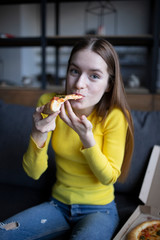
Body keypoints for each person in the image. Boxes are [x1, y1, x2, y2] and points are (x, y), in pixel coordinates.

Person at [0, 38, 134, 240]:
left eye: (94, 76)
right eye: (74, 71)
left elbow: (109, 177)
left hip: (100, 210)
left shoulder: (115, 116)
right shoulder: (48, 102)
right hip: (58, 205)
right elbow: (34, 173)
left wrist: (87, 138)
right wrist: (39, 132)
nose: (79, 84)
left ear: (109, 84)